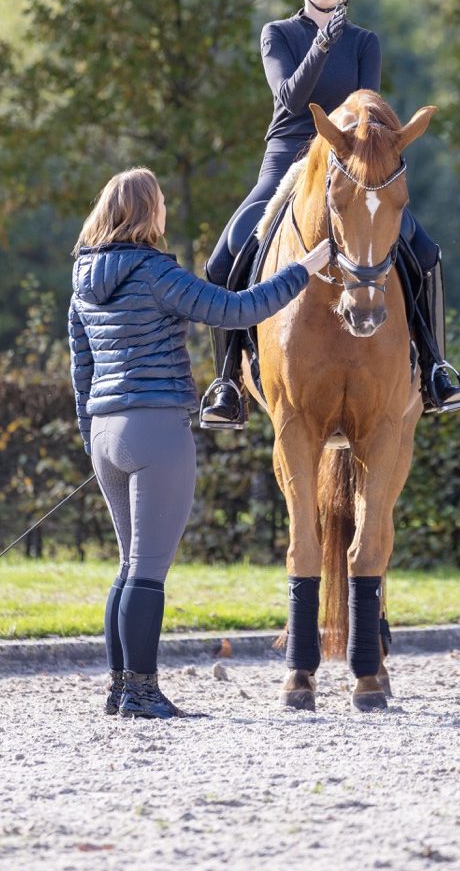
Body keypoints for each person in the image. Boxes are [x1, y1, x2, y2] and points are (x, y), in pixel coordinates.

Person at [68, 167, 330, 720]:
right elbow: (236, 310)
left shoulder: (82, 278)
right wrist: (302, 270)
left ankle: (120, 688)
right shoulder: (155, 271)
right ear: (147, 210)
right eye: (160, 201)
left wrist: (92, 436)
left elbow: (81, 369)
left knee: (128, 566)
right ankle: (142, 692)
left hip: (105, 431)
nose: (165, 208)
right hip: (156, 429)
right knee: (147, 570)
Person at [200, 0, 460, 428]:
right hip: (289, 158)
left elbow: (366, 110)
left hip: (349, 161)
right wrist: (322, 45)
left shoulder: (365, 42)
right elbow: (290, 100)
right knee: (225, 256)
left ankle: (436, 366)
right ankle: (227, 381)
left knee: (424, 251)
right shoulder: (278, 35)